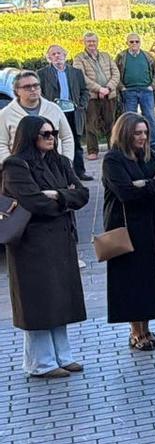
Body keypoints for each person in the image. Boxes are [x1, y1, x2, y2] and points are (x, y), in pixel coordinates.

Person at [3, 115, 88, 377]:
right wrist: (64, 196)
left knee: (59, 299)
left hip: (60, 240)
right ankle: (41, 362)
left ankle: (63, 355)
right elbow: (33, 202)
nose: (51, 137)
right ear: (30, 136)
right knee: (39, 302)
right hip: (31, 244)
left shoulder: (60, 161)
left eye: (52, 133)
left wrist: (57, 194)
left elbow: (82, 194)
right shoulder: (15, 166)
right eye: (45, 134)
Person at [102, 112, 155, 351]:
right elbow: (125, 192)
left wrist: (144, 184)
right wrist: (151, 183)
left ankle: (145, 328)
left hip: (151, 225)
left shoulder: (149, 156)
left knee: (149, 278)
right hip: (126, 227)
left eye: (145, 132)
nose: (142, 137)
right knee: (131, 280)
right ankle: (136, 332)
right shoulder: (113, 160)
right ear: (125, 133)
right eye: (137, 132)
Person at [37, 45, 90, 179]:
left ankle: (79, 172)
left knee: (75, 141)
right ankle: (58, 174)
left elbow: (84, 91)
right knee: (53, 142)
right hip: (53, 114)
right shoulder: (42, 74)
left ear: (65, 55)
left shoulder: (76, 72)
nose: (57, 56)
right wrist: (47, 106)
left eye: (59, 53)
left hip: (73, 112)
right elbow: (39, 93)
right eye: (53, 54)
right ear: (49, 58)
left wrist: (81, 106)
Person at [0, 71, 74, 165]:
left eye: (36, 85)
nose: (33, 89)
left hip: (54, 167)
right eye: (27, 87)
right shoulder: (5, 114)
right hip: (23, 170)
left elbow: (66, 137)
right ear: (17, 91)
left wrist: (67, 161)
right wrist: (12, 165)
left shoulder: (54, 109)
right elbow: (1, 144)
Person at [75, 33, 120, 161]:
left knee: (110, 122)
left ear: (97, 42)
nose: (91, 44)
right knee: (91, 124)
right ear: (84, 42)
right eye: (88, 41)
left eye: (93, 41)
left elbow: (116, 73)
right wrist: (99, 89)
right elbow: (81, 77)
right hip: (91, 96)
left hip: (109, 95)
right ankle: (92, 150)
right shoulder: (79, 58)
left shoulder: (106, 56)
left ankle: (113, 148)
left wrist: (108, 88)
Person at [116, 33, 155, 152]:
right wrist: (122, 87)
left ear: (140, 43)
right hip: (129, 91)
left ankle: (153, 143)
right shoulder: (121, 56)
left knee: (150, 117)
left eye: (137, 41)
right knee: (130, 118)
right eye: (131, 42)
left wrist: (153, 86)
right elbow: (116, 73)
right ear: (127, 43)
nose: (134, 44)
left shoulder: (148, 56)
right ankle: (130, 144)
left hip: (146, 91)